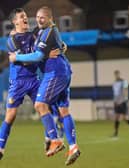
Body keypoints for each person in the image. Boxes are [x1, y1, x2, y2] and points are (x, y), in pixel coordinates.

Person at [9, 6, 80, 165]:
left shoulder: (48, 31)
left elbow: (38, 55)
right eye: (38, 17)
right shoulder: (41, 31)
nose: (39, 19)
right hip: (62, 70)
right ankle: (73, 146)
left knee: (40, 104)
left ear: (50, 19)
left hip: (54, 72)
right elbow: (52, 45)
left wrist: (17, 57)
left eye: (43, 17)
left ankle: (55, 139)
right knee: (63, 110)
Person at [0, 8, 64, 160]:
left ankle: (51, 140)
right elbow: (27, 60)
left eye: (25, 16)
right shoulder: (12, 40)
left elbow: (48, 40)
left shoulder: (33, 34)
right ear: (14, 22)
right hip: (18, 82)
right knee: (11, 115)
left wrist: (61, 46)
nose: (25, 18)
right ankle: (1, 148)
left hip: (34, 79)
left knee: (46, 106)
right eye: (21, 17)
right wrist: (45, 55)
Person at [112, 70, 129, 138]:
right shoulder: (114, 83)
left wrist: (125, 99)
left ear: (119, 74)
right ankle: (116, 133)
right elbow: (115, 93)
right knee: (116, 117)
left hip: (122, 101)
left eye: (117, 74)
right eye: (115, 74)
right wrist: (115, 101)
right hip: (116, 102)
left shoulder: (124, 81)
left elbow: (126, 90)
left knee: (124, 117)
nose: (116, 75)